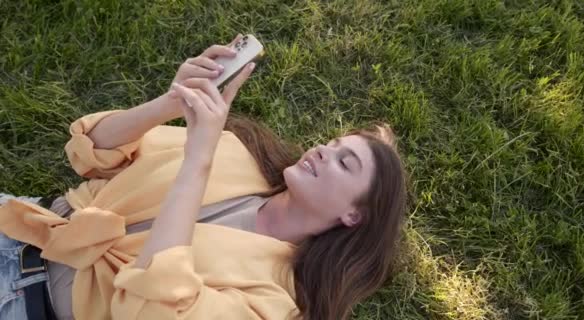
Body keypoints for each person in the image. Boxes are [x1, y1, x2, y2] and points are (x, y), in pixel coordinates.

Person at [0, 34, 412, 320]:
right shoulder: (237, 153)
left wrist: (199, 158)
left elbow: (153, 311)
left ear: (354, 216)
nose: (325, 150)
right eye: (334, 144)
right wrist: (169, 102)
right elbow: (89, 153)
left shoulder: (276, 299)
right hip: (16, 226)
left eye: (345, 164)